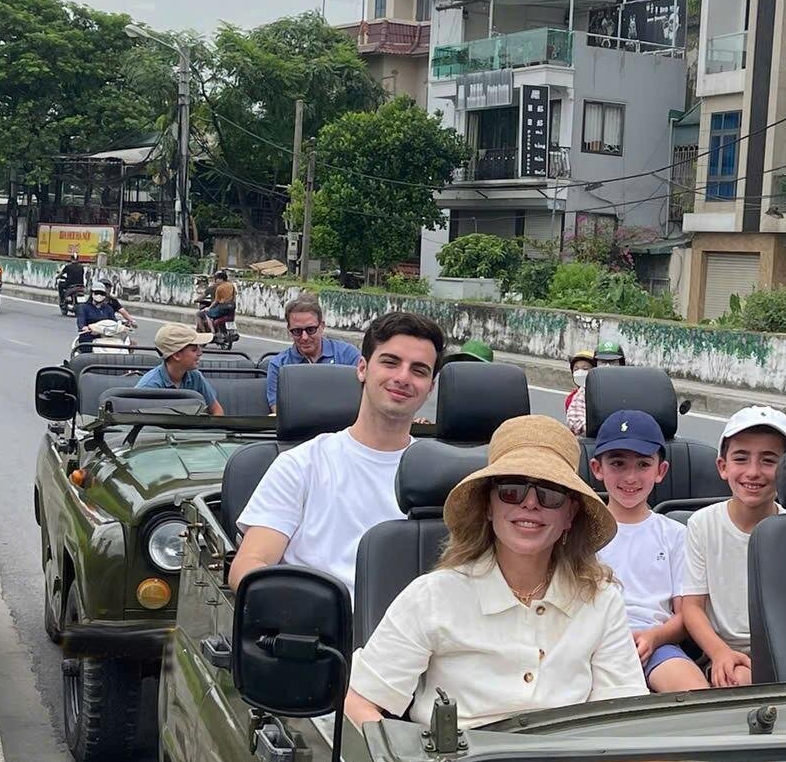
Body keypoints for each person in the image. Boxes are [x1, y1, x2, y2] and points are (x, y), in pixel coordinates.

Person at [346, 414, 647, 729]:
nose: (530, 504)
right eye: (512, 490)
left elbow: (623, 716)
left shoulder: (601, 600)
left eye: (550, 493)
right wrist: (406, 755)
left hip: (568, 757)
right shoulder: (432, 597)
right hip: (454, 756)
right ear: (488, 505)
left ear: (570, 514)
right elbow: (358, 702)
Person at [231, 311, 444, 596]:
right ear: (362, 369)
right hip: (318, 620)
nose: (403, 377)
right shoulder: (302, 464)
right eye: (390, 362)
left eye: (419, 370)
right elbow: (249, 564)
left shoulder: (440, 477)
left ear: (430, 388)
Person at [592, 409, 708, 693]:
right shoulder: (582, 532)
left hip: (655, 643)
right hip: (591, 640)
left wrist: (654, 637)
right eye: (617, 463)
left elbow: (685, 616)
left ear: (660, 471)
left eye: (643, 464)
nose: (630, 477)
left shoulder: (676, 535)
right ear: (597, 468)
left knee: (695, 692)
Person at [681, 405, 786, 688]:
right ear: (723, 466)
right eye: (741, 459)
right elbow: (692, 607)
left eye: (768, 461)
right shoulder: (702, 524)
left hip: (785, 650)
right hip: (725, 650)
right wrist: (719, 652)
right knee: (740, 679)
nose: (753, 472)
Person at [264, 297, 361, 412]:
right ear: (289, 330)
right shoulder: (278, 366)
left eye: (310, 330)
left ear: (322, 326)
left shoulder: (348, 355)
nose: (304, 337)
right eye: (297, 331)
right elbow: (279, 412)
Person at [138, 323, 225, 416]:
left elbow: (217, 410)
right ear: (176, 355)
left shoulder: (195, 376)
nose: (200, 353)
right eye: (194, 350)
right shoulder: (149, 386)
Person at [563, 348, 595, 435]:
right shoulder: (571, 399)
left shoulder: (600, 395)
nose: (580, 372)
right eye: (576, 369)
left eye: (585, 369)